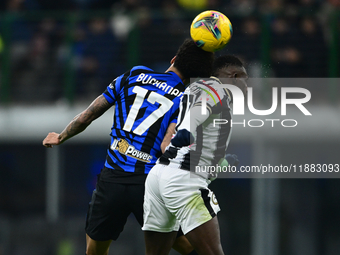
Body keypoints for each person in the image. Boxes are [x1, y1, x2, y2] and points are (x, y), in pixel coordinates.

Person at [42, 38, 214, 255]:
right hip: (150, 184)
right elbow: (165, 146)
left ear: (173, 59)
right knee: (187, 246)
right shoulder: (185, 99)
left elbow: (88, 116)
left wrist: (61, 136)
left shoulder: (134, 75)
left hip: (111, 180)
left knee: (94, 251)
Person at [142, 55, 248, 255]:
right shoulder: (217, 89)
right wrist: (186, 130)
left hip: (159, 176)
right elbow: (200, 110)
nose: (246, 86)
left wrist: (223, 162)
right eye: (245, 79)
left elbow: (200, 140)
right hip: (184, 180)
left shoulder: (194, 87)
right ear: (234, 76)